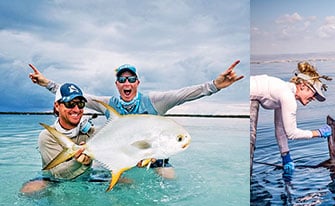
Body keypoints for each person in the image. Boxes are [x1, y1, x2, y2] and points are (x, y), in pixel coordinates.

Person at [28, 60, 244, 179]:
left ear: (137, 83)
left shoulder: (155, 101)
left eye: (131, 79)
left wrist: (214, 85)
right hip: (122, 156)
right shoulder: (109, 103)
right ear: (117, 84)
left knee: (169, 179)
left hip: (153, 156)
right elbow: (77, 99)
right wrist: (47, 83)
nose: (126, 83)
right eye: (122, 80)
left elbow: (184, 94)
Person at [250, 61, 332, 180]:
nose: (313, 98)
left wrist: (285, 155)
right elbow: (292, 134)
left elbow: (280, 128)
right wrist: (318, 133)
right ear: (303, 85)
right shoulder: (288, 97)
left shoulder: (284, 92)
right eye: (313, 93)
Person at [20, 83, 101, 195]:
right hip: (55, 180)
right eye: (70, 104)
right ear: (57, 106)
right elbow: (58, 173)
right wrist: (83, 163)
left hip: (88, 177)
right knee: (29, 190)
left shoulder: (92, 132)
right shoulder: (47, 136)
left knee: (126, 181)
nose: (76, 109)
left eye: (81, 104)